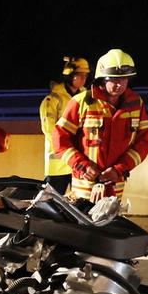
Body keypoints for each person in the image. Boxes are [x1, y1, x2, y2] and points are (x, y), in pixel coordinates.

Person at [52, 49, 148, 202]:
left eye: (124, 79)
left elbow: (144, 143)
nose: (119, 84)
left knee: (110, 217)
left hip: (115, 186)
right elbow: (60, 139)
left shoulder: (136, 104)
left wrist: (119, 169)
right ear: (103, 78)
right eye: (114, 79)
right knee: (80, 218)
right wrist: (83, 166)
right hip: (84, 187)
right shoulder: (81, 102)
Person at [39, 56, 90, 193]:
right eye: (79, 75)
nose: (83, 79)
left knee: (80, 201)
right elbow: (49, 130)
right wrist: (66, 148)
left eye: (85, 75)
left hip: (79, 162)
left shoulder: (87, 98)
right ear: (69, 75)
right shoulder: (52, 100)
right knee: (52, 201)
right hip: (58, 165)